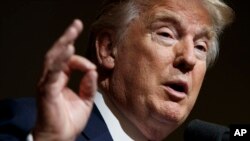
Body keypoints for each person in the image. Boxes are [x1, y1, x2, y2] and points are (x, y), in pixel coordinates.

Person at [0, 0, 234, 140]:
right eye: (166, 34)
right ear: (108, 48)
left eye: (201, 46)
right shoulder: (30, 123)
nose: (190, 58)